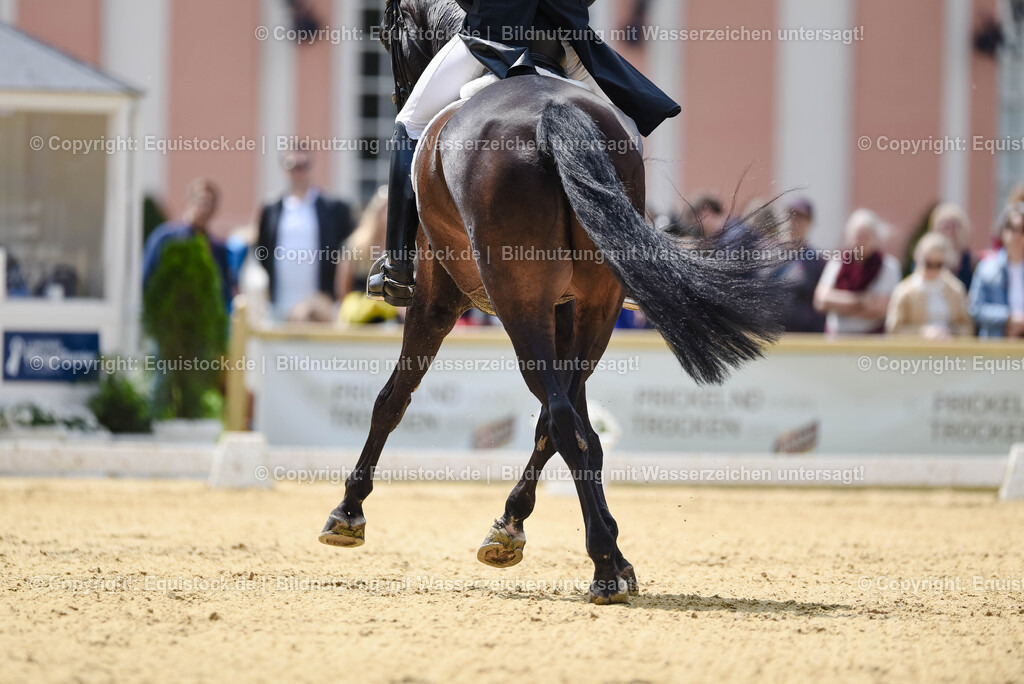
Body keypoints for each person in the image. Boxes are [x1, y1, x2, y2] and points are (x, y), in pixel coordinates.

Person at [368, 0, 681, 306]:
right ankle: (630, 266)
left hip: (491, 36)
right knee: (625, 133)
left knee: (409, 125)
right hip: (562, 41)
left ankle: (398, 265)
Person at [255, 147, 354, 322]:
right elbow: (262, 249)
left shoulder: (334, 208)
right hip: (279, 306)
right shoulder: (271, 208)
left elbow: (347, 252)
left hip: (320, 309)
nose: (298, 172)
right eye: (293, 166)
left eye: (303, 166)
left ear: (311, 168)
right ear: (284, 170)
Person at [142, 178, 236, 311]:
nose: (204, 208)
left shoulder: (218, 249)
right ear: (189, 201)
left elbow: (223, 291)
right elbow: (147, 279)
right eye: (201, 201)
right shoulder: (164, 238)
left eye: (209, 203)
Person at [813, 209, 902, 335]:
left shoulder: (888, 266)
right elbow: (821, 301)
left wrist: (838, 304)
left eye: (866, 237)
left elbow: (882, 308)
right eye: (857, 237)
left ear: (876, 238)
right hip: (836, 337)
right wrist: (861, 301)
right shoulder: (837, 262)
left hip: (871, 337)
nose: (861, 242)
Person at [886, 233, 972, 338]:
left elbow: (967, 327)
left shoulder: (956, 289)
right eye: (928, 264)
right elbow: (894, 329)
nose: (933, 270)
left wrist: (951, 332)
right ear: (918, 259)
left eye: (938, 264)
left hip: (949, 348)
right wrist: (923, 332)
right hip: (916, 348)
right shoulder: (904, 292)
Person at [336, 187, 398, 325]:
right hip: (359, 319)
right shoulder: (355, 246)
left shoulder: (407, 248)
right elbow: (343, 290)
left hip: (394, 320)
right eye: (386, 209)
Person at [969, 204, 1024, 338]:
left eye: (1022, 229)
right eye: (1011, 228)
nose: (1016, 235)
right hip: (996, 345)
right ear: (1002, 231)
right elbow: (975, 308)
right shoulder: (986, 268)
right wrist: (1008, 318)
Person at [775, 198, 826, 333]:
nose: (793, 222)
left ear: (809, 223)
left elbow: (820, 305)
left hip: (802, 336)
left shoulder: (816, 261)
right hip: (769, 333)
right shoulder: (767, 256)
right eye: (790, 217)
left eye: (799, 218)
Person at [927, 204, 974, 289]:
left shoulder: (969, 261)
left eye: (953, 226)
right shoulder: (927, 258)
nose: (949, 232)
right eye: (945, 226)